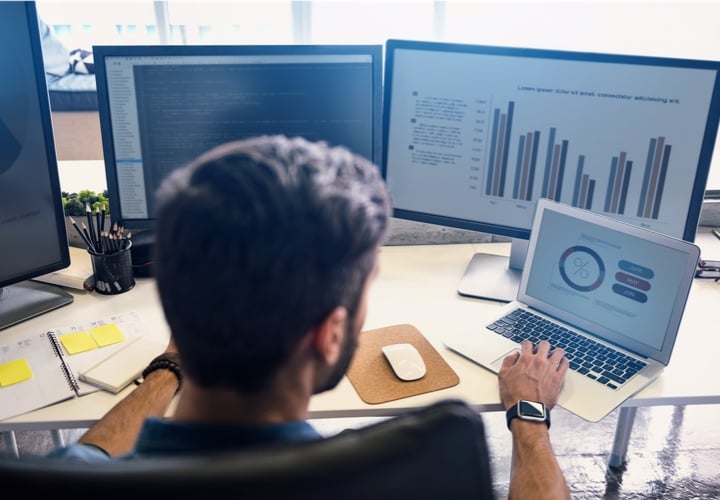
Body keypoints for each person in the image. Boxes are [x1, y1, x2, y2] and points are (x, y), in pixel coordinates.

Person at [48, 135, 570, 498]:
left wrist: (167, 370)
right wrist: (529, 420)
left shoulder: (57, 482)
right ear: (331, 334)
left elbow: (90, 462)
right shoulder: (402, 485)